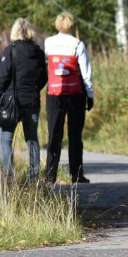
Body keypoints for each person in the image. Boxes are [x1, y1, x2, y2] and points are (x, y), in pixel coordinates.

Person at [44, 12, 95, 184]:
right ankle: (77, 174)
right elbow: (86, 73)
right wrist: (90, 95)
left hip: (54, 94)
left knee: (54, 135)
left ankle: (50, 174)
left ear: (57, 24)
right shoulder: (77, 44)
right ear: (72, 26)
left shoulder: (48, 43)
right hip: (75, 94)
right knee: (75, 136)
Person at [0, 17, 47, 184]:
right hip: (32, 101)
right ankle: (33, 178)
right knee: (32, 139)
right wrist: (35, 89)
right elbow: (44, 77)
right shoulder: (38, 52)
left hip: (12, 102)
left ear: (15, 32)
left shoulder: (11, 51)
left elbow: (3, 76)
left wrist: (0, 93)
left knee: (6, 139)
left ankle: (8, 178)